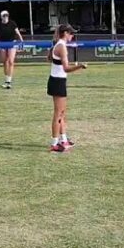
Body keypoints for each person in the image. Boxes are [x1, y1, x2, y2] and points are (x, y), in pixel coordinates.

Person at [47, 24, 86, 153]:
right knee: (58, 113)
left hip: (58, 80)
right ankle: (54, 143)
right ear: (65, 33)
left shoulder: (58, 44)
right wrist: (80, 66)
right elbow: (66, 68)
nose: (72, 36)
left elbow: (50, 59)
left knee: (62, 112)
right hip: (57, 81)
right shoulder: (61, 47)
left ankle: (63, 140)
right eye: (71, 33)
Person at [0, 10, 24, 89]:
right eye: (4, 16)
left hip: (12, 43)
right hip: (2, 43)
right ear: (1, 17)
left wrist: (21, 41)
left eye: (6, 15)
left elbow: (17, 33)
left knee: (11, 61)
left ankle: (8, 82)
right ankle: (6, 79)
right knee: (5, 61)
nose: (5, 17)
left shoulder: (12, 23)